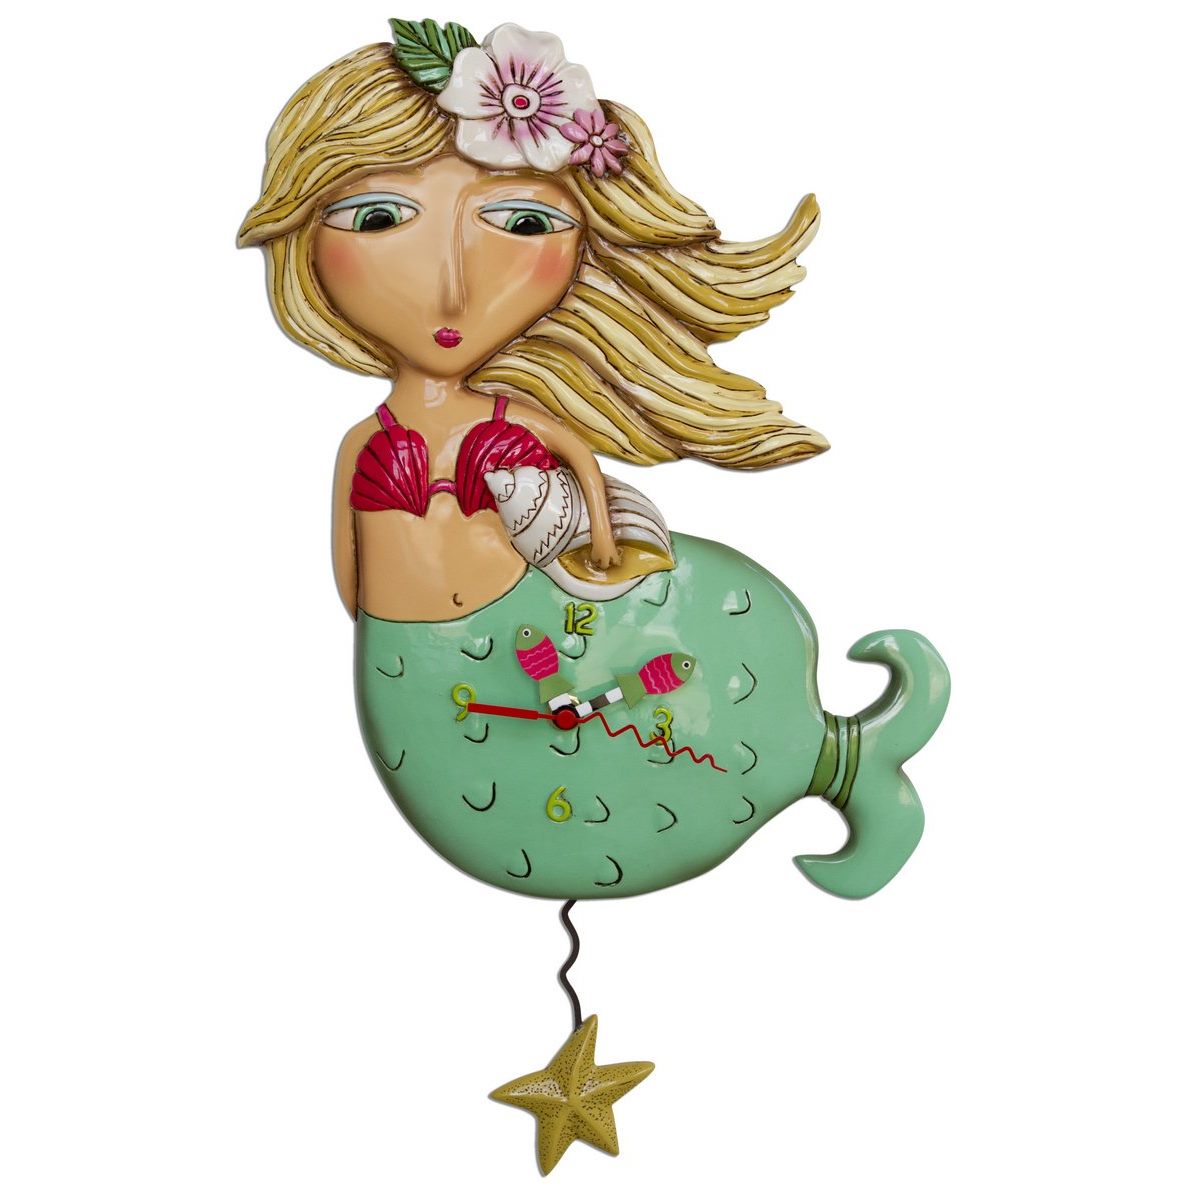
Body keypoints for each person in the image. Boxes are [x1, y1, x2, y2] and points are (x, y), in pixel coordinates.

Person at [238, 22, 947, 904]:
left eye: (523, 223)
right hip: (421, 667)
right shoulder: (365, 442)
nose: (449, 285)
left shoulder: (512, 423)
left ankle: (836, 764)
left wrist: (600, 558)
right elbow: (351, 587)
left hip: (522, 635)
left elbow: (579, 508)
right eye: (380, 217)